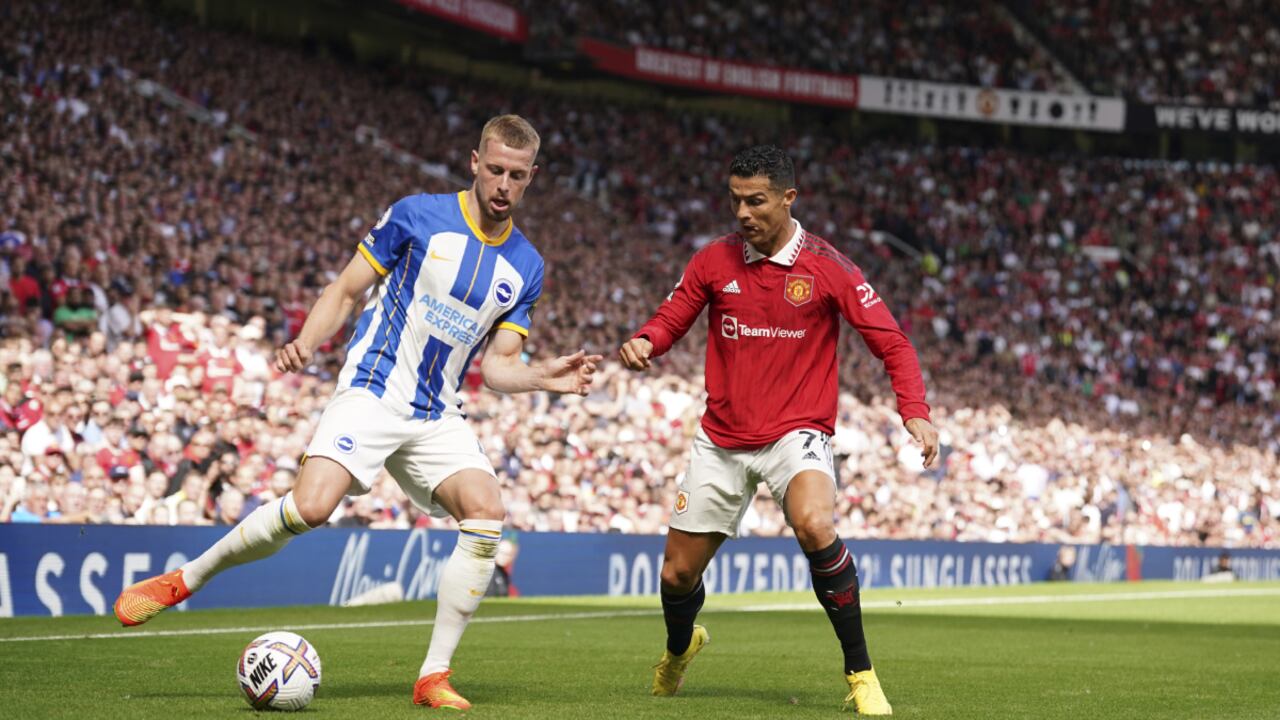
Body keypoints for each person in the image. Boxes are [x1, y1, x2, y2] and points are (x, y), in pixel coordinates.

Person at [113, 115, 602, 710]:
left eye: (517, 176)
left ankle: (432, 677)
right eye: (495, 169)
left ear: (532, 178)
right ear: (474, 162)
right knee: (312, 506)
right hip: (374, 387)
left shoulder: (526, 266)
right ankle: (182, 580)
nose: (503, 184)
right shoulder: (417, 215)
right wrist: (309, 340)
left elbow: (498, 368)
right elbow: (346, 289)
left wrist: (542, 377)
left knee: (486, 511)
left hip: (435, 412)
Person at [618, 145, 939, 715]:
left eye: (756, 201)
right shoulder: (713, 260)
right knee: (676, 574)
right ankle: (679, 646)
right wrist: (647, 340)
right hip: (721, 436)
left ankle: (861, 672)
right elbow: (674, 314)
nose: (742, 213)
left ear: (789, 198)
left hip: (798, 431)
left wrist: (914, 409)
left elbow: (891, 342)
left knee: (816, 524)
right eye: (736, 200)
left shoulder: (829, 267)